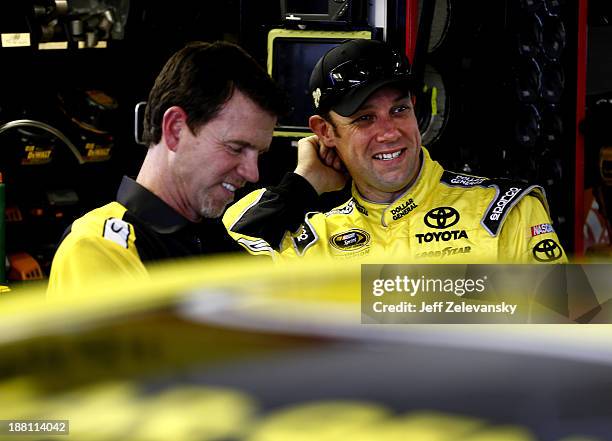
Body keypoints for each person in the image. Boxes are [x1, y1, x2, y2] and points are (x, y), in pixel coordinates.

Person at [223, 39, 567, 263]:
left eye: (399, 110)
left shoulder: (505, 211)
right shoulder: (309, 235)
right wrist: (303, 185)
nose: (389, 132)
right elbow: (220, 255)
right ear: (325, 132)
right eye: (365, 118)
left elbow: (577, 328)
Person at [47, 41, 287, 295]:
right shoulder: (98, 248)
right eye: (236, 148)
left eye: (258, 154)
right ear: (175, 129)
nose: (252, 173)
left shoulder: (228, 244)